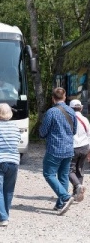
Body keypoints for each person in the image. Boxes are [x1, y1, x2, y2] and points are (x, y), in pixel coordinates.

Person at [39, 87, 77, 215]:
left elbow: (43, 132)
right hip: (68, 148)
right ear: (64, 97)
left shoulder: (51, 112)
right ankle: (60, 205)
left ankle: (65, 197)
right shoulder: (71, 111)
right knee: (63, 176)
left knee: (48, 174)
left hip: (54, 149)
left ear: (53, 98)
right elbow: (74, 131)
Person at [69, 99, 89, 201]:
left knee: (69, 170)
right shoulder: (85, 119)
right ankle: (77, 193)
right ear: (81, 108)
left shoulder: (69, 119)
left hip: (73, 147)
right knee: (80, 170)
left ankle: (77, 186)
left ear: (70, 109)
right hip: (85, 147)